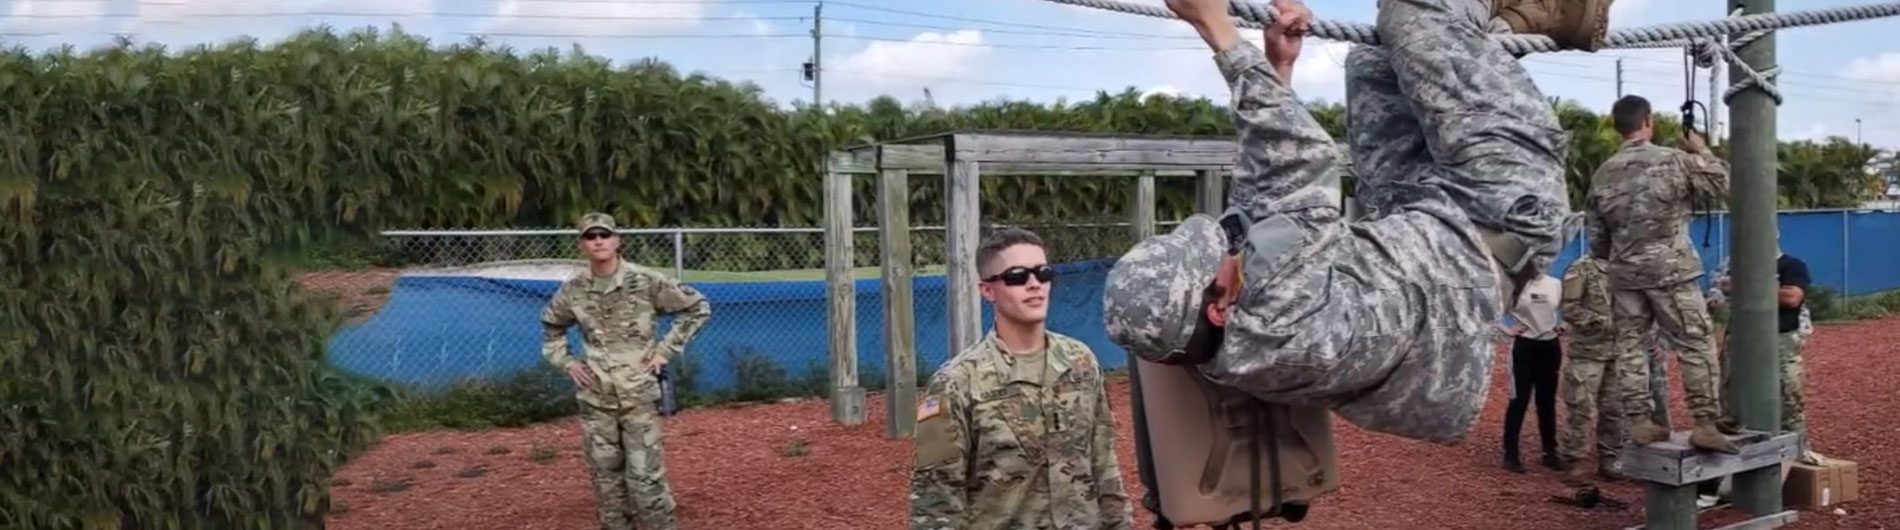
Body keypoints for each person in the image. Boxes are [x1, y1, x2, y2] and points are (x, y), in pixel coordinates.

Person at [1102, 0, 1598, 444]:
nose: (1224, 249)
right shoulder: (1284, 325)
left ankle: (1487, 30)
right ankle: (1545, 12)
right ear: (1217, 308)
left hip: (1425, 232)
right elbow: (1302, 162)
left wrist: (1277, 70)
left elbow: (1257, 205)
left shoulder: (1228, 335)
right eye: (1212, 262)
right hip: (1502, 214)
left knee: (1374, 64)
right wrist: (1218, 31)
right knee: (1410, 10)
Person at [909, 227, 1133, 530]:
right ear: (987, 290)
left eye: (1043, 273)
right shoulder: (956, 384)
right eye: (1017, 276)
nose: (1034, 284)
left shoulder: (1080, 362)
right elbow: (936, 502)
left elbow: (1104, 463)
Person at [539, 212, 712, 530]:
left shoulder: (645, 281)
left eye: (604, 235)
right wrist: (567, 362)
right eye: (590, 237)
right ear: (582, 245)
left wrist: (664, 352)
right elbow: (552, 326)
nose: (598, 241)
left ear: (618, 241)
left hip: (638, 397)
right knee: (606, 480)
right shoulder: (574, 289)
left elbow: (697, 308)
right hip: (596, 399)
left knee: (646, 477)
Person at [1584, 95, 1735, 453]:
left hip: (1626, 277)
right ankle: (1704, 423)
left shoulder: (1602, 173)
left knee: (1631, 347)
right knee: (1694, 342)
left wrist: (1623, 258)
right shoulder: (1673, 161)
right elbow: (1722, 185)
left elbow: (1595, 239)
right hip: (1672, 272)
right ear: (1648, 120)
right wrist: (1702, 149)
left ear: (1618, 126)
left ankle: (1640, 422)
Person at [1499, 272, 1566, 473]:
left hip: (1550, 347)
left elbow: (1568, 308)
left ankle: (1550, 453)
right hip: (1524, 346)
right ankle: (1511, 454)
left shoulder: (1554, 283)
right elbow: (1488, 309)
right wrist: (1506, 329)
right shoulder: (1514, 285)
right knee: (1519, 401)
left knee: (1546, 402)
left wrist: (1564, 324)